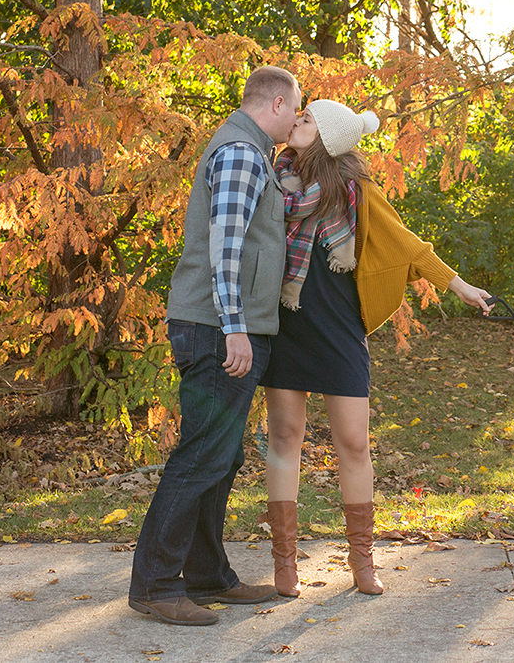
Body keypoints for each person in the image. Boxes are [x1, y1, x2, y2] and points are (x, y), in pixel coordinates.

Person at [256, 99, 492, 598]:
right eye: (298, 116)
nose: (296, 121)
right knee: (285, 439)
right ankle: (284, 561)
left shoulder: (355, 192)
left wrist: (460, 286)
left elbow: (408, 245)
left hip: (339, 331)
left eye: (307, 119)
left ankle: (362, 558)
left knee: (355, 443)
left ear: (329, 137)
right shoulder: (273, 182)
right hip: (286, 327)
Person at [128, 66, 303, 626]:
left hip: (224, 325)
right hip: (217, 329)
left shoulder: (253, 153)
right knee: (202, 454)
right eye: (295, 108)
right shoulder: (239, 153)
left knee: (220, 456)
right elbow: (225, 248)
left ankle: (206, 576)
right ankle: (156, 584)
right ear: (275, 103)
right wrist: (235, 327)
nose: (298, 118)